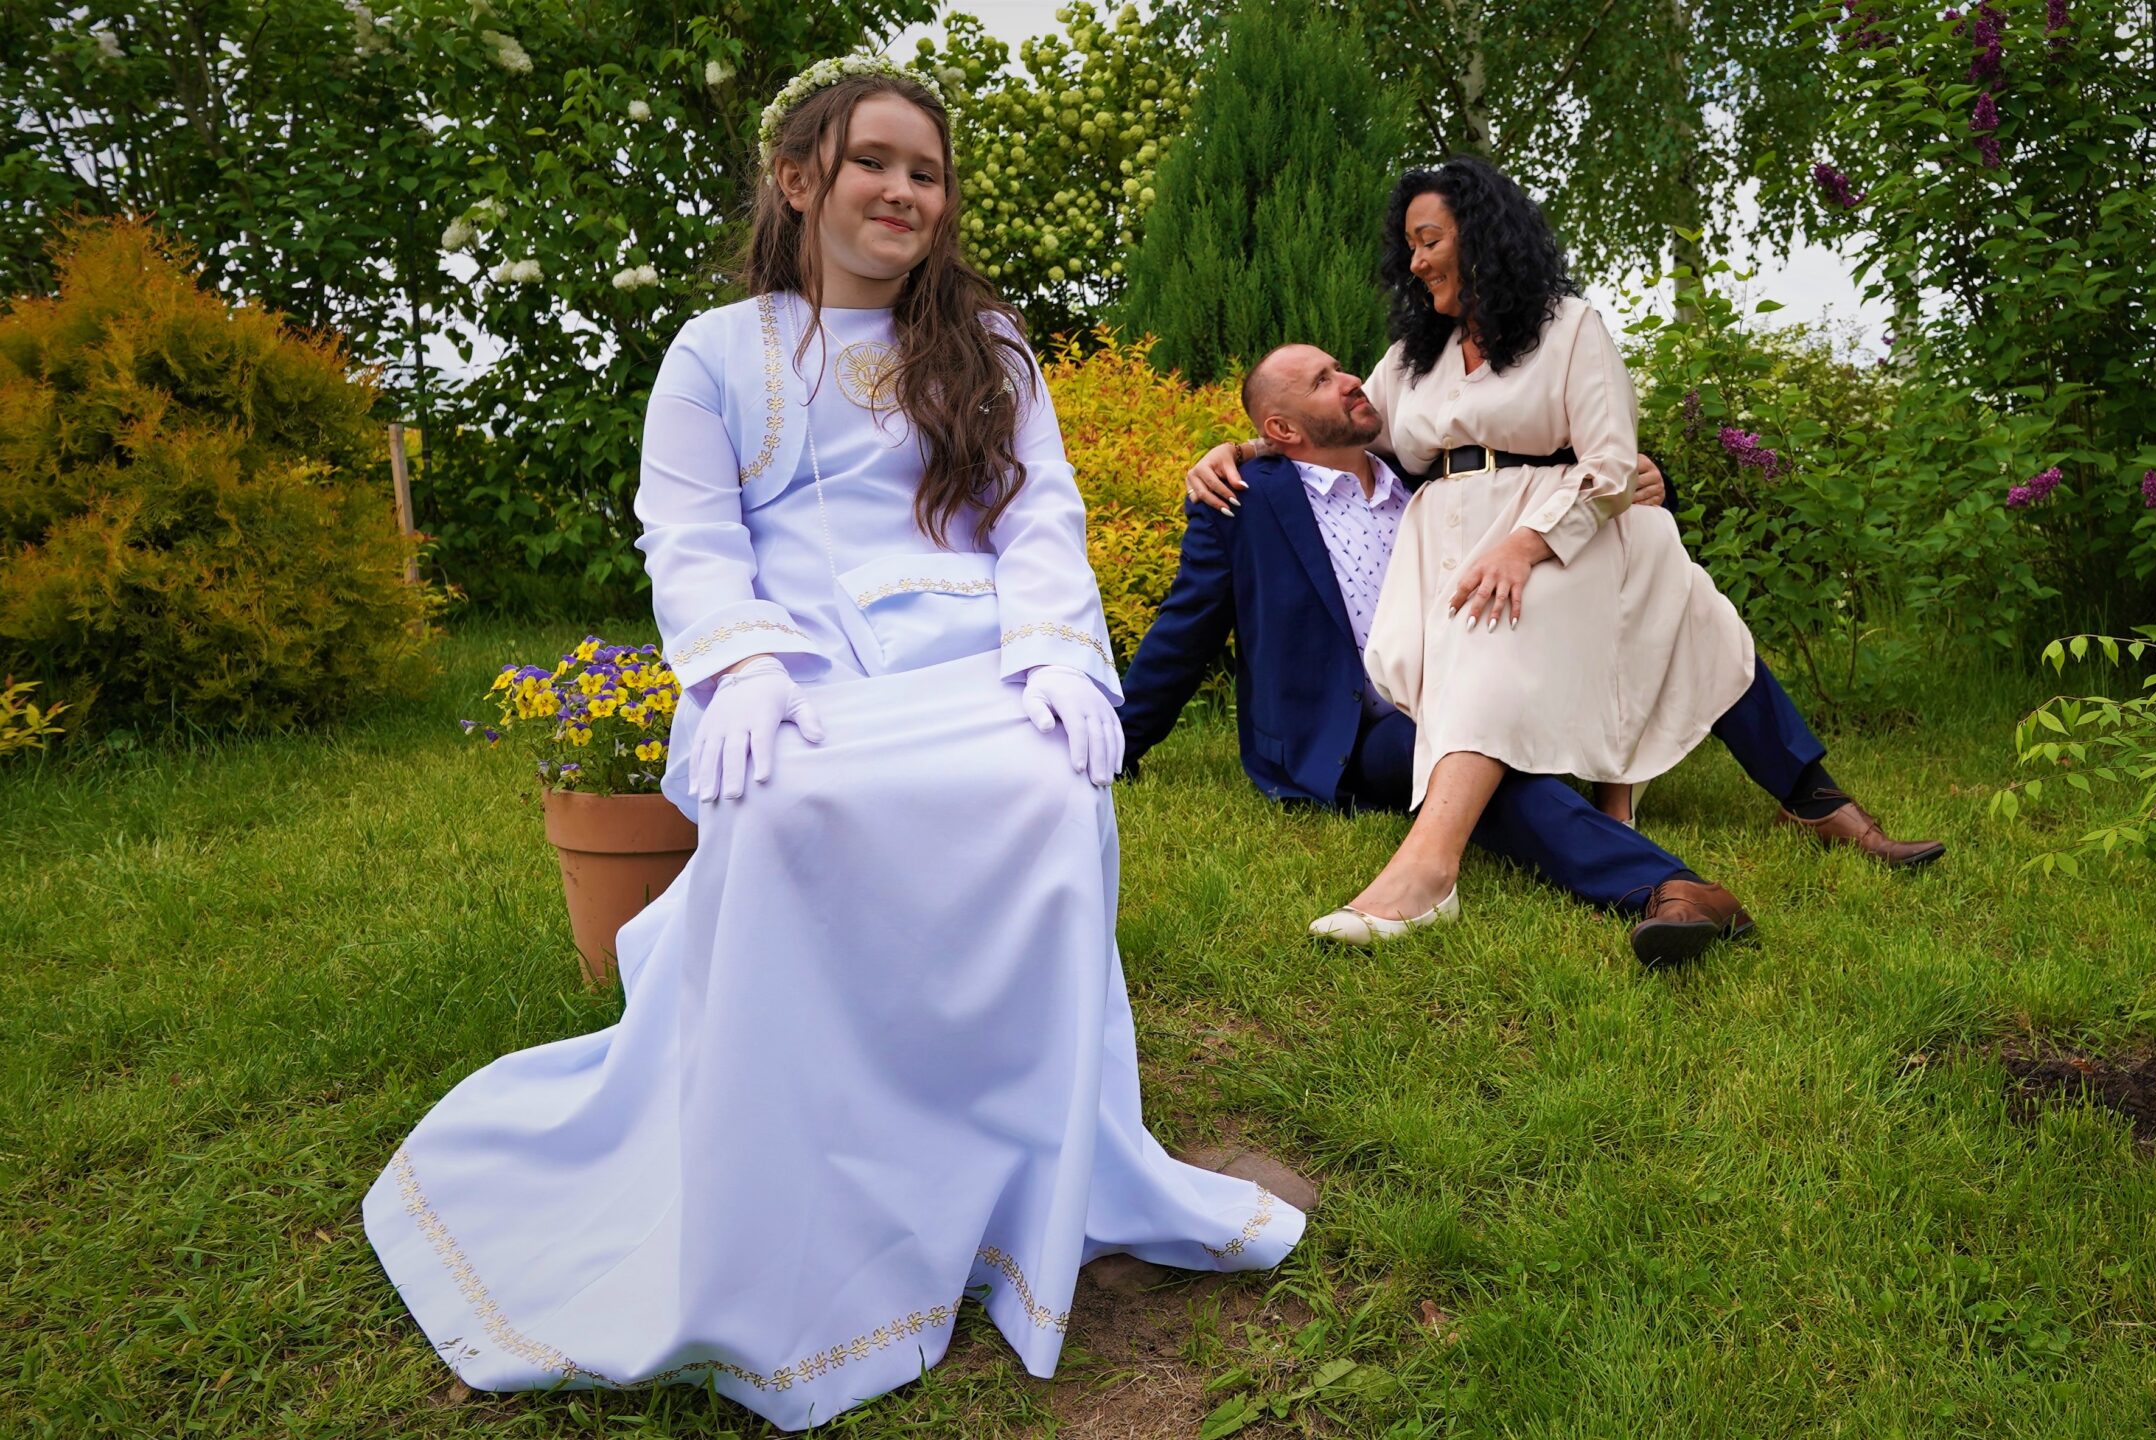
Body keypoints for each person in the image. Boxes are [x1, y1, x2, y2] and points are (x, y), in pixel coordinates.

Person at [362, 58, 1301, 1432]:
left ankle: (1010, 1168)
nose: (905, 191)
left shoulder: (988, 347)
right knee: (789, 807)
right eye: (876, 162)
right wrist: (739, 664)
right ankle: (813, 1169)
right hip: (801, 665)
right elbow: (689, 533)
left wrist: (1056, 653)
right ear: (799, 178)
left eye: (928, 172)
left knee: (1053, 790)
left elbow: (1042, 514)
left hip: (975, 659)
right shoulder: (715, 351)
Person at [1182, 157, 1940, 945]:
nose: (1416, 262)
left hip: (1555, 539)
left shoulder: (1568, 327)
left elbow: (1611, 463)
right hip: (1450, 549)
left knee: (1641, 605)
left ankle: (1430, 873)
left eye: (1430, 240)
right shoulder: (1413, 357)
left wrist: (1524, 545)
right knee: (1685, 613)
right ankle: (1797, 807)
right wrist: (1241, 447)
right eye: (1409, 247)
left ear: (1481, 238)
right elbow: (1347, 426)